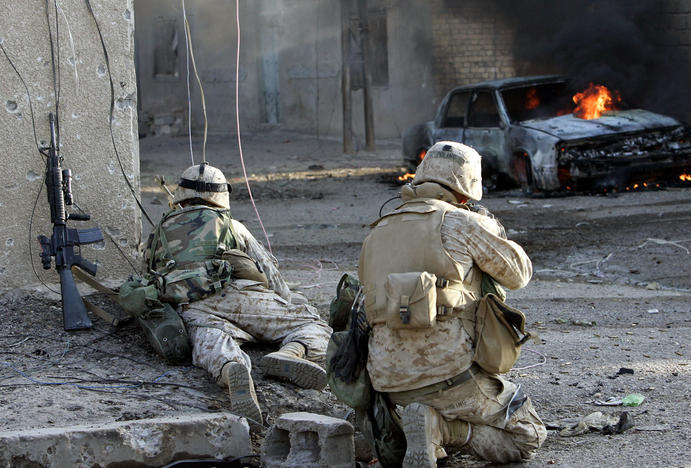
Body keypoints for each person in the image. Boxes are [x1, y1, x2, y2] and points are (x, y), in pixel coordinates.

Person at [357, 141, 546, 466]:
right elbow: (518, 274)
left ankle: (420, 424)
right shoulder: (462, 222)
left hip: (388, 381)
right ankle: (444, 430)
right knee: (528, 435)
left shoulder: (377, 231)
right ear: (466, 191)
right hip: (451, 375)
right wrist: (488, 225)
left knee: (427, 402)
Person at [124, 162, 332, 424]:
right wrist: (284, 302)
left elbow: (148, 278)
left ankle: (231, 368)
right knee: (312, 323)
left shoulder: (157, 234)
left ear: (181, 195)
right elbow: (272, 277)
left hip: (192, 306)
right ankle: (289, 353)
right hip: (242, 297)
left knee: (210, 344)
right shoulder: (232, 226)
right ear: (221, 196)